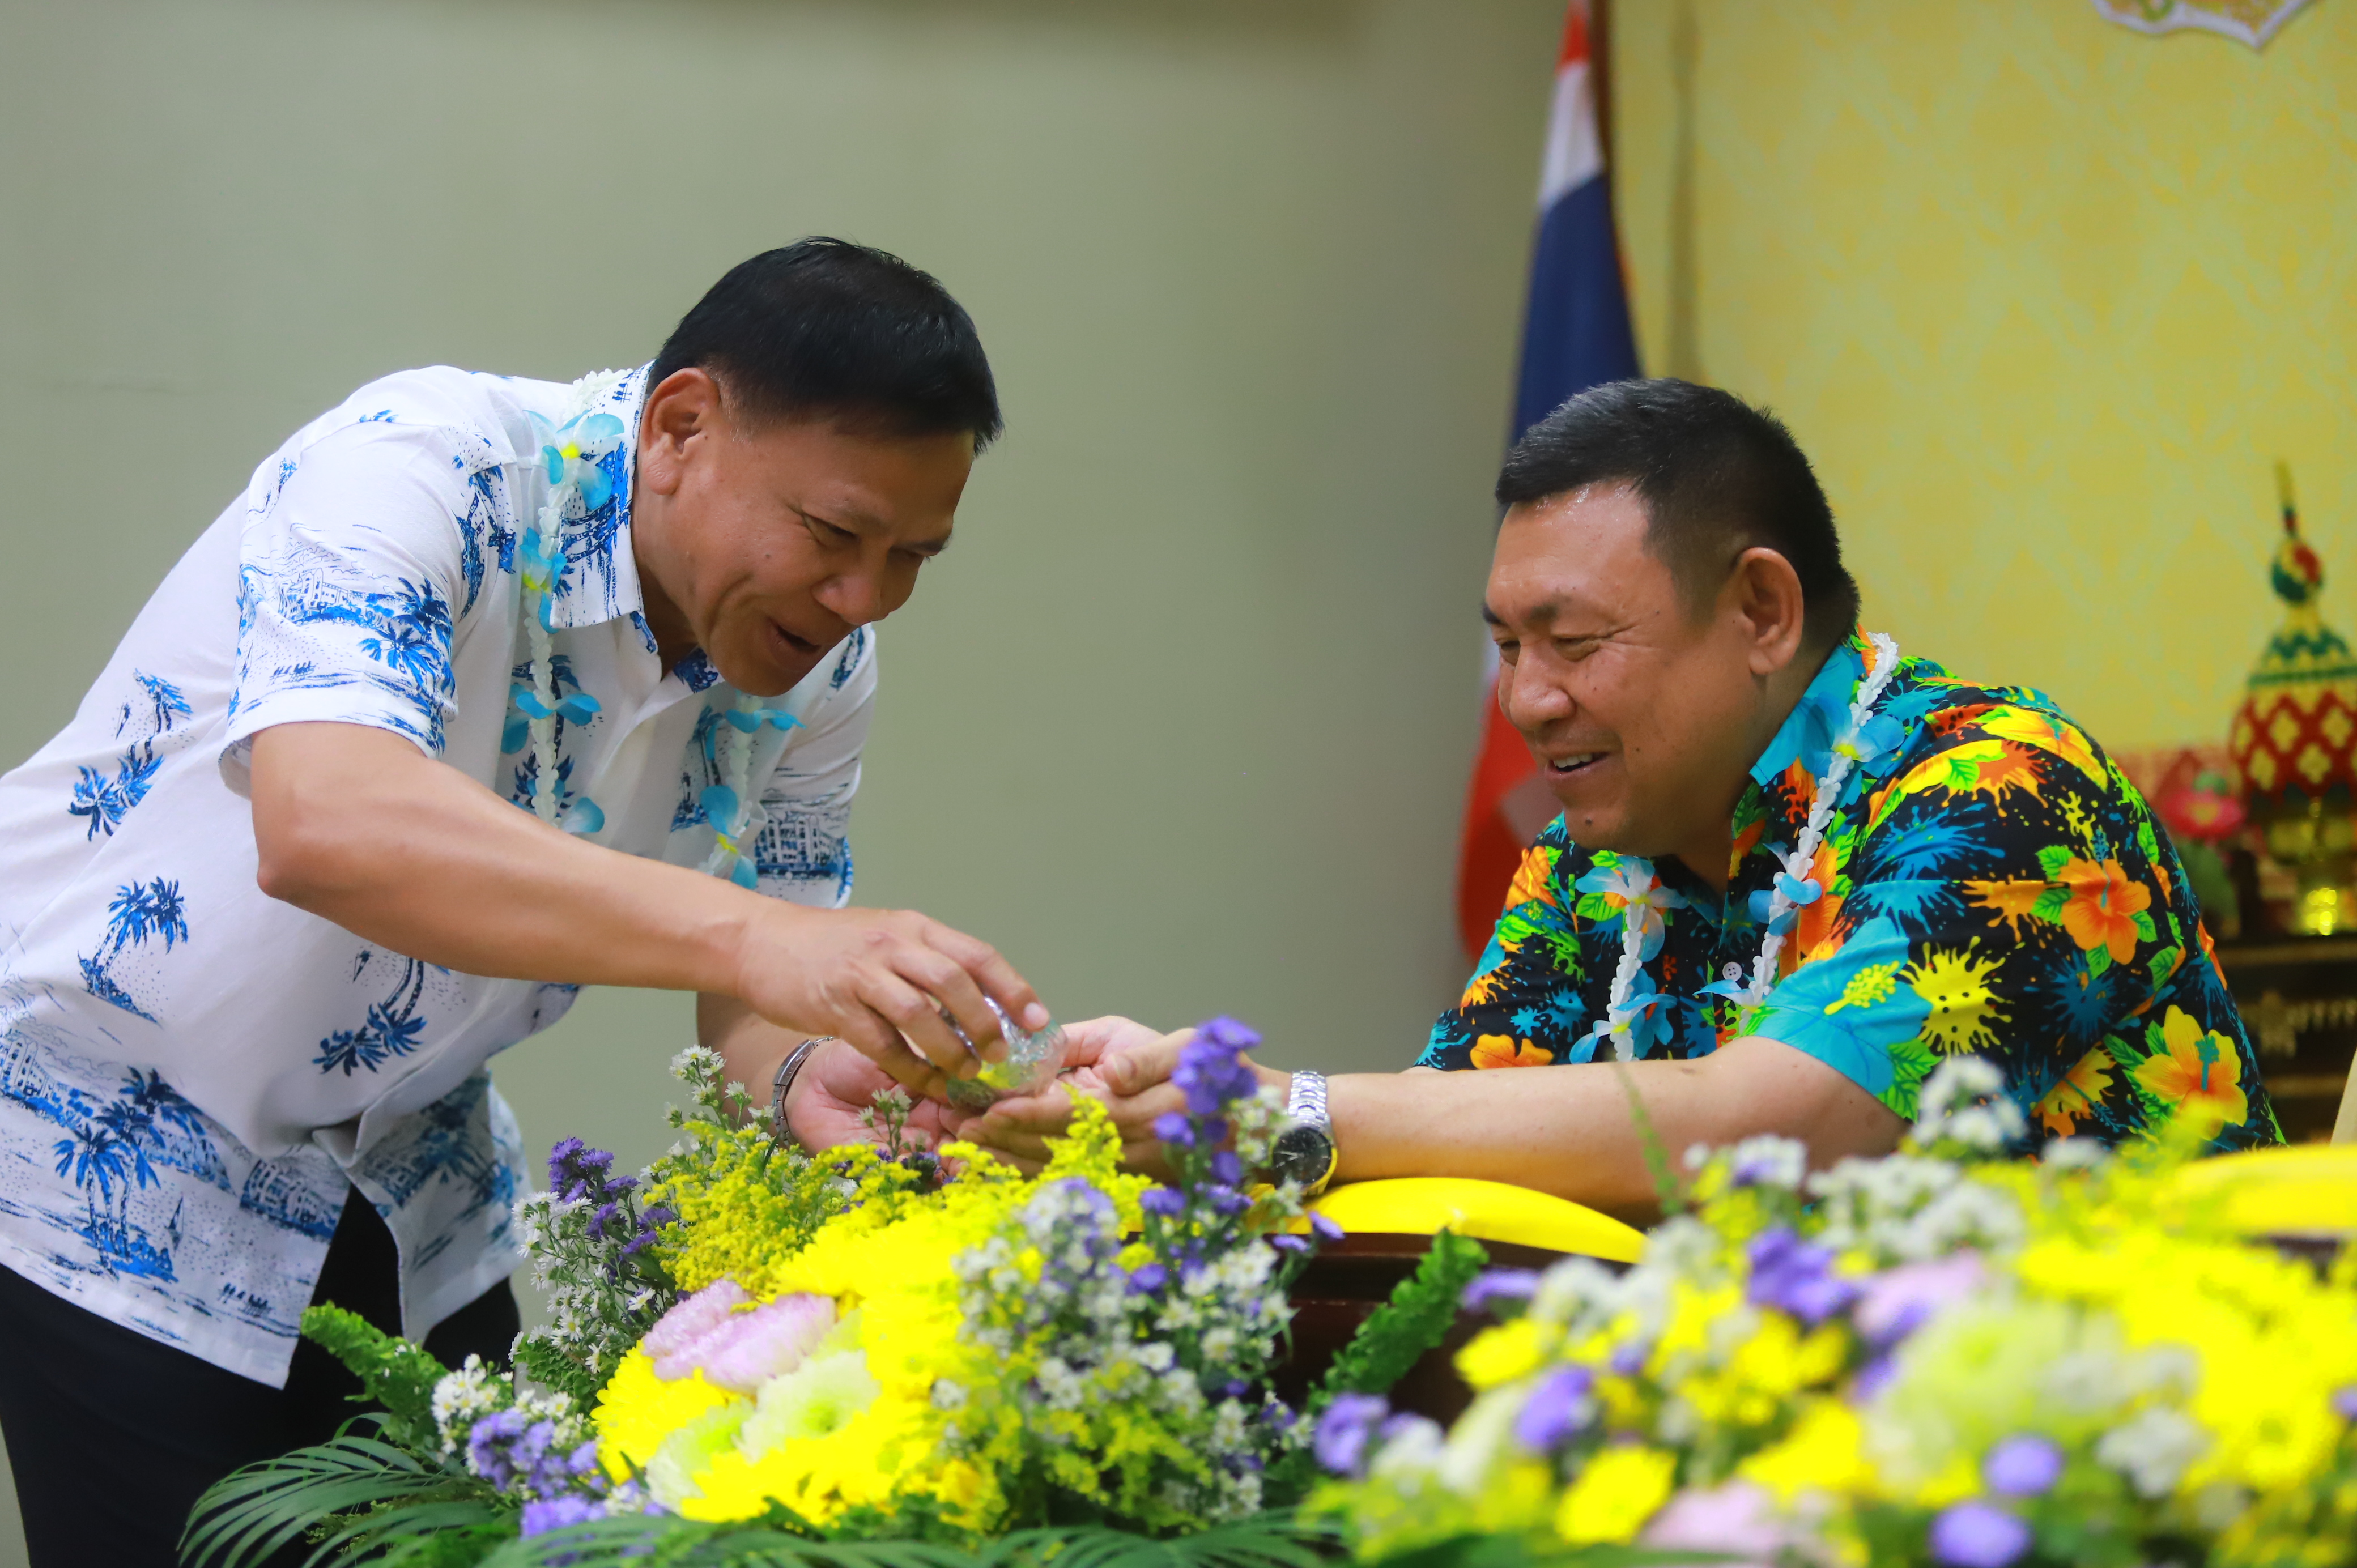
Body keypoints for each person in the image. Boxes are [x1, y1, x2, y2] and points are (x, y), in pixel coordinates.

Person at [0, 238, 1046, 1567]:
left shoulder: (817, 662)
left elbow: (756, 996)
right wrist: (771, 941)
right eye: (835, 535)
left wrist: (816, 1074)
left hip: (413, 1181)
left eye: (914, 556)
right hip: (111, 1149)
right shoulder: (415, 461)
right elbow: (327, 821)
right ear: (680, 426)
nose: (864, 600)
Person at [956, 378, 2283, 1209]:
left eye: (1574, 643)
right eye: (1505, 646)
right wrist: (1132, 1120)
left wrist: (1258, 1106)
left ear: (1759, 608)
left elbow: (1786, 1131)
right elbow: (1444, 1153)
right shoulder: (1593, 863)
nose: (1527, 700)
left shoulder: (2002, 790)